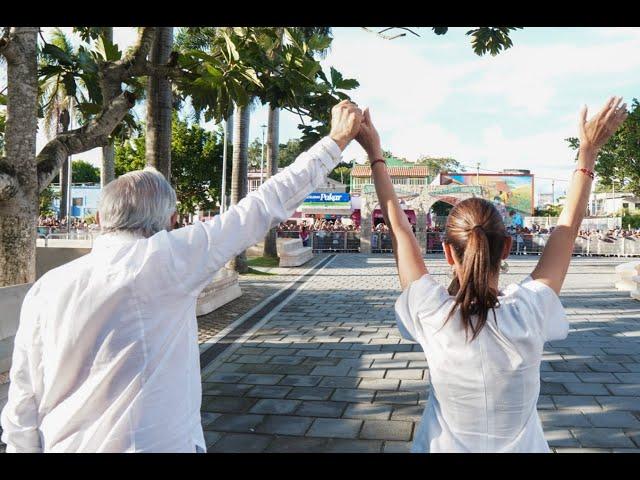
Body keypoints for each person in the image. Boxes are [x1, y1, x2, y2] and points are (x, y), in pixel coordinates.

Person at [0, 100, 363, 453]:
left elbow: (23, 398)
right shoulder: (166, 259)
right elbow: (263, 205)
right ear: (171, 221)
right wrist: (335, 142)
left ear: (99, 219)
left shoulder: (46, 288)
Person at [354, 97, 627, 453]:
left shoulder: (432, 314)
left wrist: (375, 153)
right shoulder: (529, 312)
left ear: (448, 251)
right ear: (506, 249)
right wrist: (587, 153)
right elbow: (566, 229)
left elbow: (400, 231)